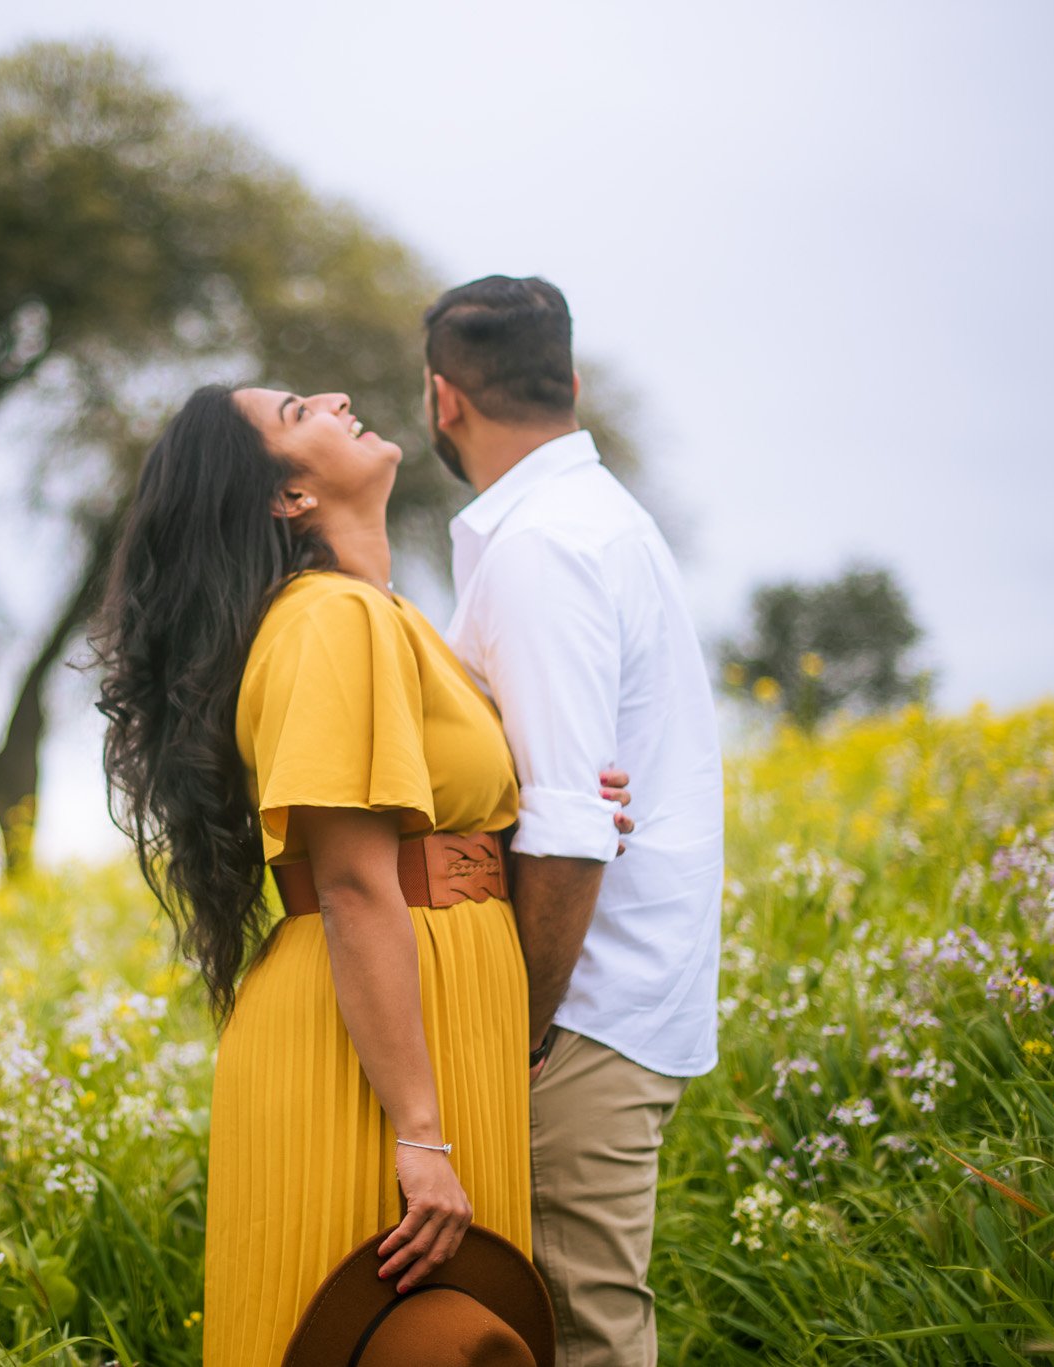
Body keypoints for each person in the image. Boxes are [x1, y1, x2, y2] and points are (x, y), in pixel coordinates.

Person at [93, 382, 633, 1366]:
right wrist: (418, 1133)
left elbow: (447, 821)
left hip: (437, 1014)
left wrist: (560, 815)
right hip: (370, 1057)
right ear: (284, 498)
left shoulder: (391, 618)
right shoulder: (328, 619)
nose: (337, 395)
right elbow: (349, 884)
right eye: (299, 409)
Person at [425, 275, 725, 1367]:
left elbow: (568, 824)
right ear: (571, 382)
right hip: (604, 996)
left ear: (440, 399)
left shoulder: (544, 544)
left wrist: (515, 1035)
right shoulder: (594, 522)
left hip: (576, 1009)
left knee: (584, 1333)